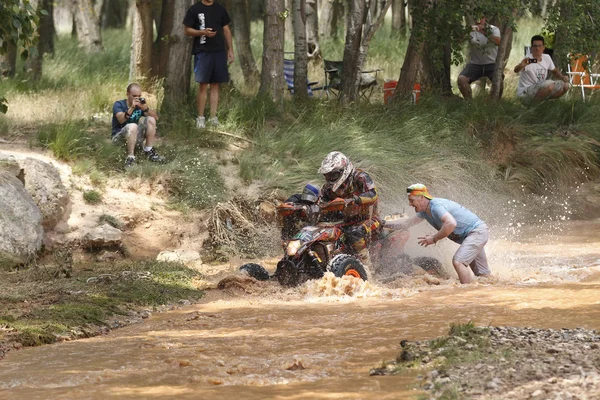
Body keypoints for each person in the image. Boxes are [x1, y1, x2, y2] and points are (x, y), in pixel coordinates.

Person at [386, 184, 490, 284]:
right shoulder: (424, 212)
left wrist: (434, 238)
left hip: (476, 232)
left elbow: (451, 223)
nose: (410, 204)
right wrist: (383, 224)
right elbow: (406, 223)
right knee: (483, 276)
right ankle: (486, 291)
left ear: (421, 198)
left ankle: (466, 295)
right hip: (474, 234)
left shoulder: (436, 206)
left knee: (459, 262)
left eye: (411, 200)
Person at [317, 151, 382, 269]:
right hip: (343, 222)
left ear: (343, 170)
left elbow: (373, 195)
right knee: (319, 231)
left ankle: (367, 268)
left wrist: (352, 200)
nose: (330, 178)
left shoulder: (360, 177)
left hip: (368, 219)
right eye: (327, 175)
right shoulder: (328, 188)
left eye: (333, 174)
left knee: (354, 232)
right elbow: (321, 204)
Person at [183, 0, 234, 129]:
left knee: (216, 84)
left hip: (219, 51)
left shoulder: (220, 9)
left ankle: (213, 117)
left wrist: (230, 50)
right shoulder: (194, 9)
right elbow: (187, 30)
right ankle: (200, 118)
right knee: (203, 85)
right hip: (202, 52)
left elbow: (227, 30)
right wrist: (203, 33)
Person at [111, 83, 164, 168]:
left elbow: (156, 118)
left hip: (134, 136)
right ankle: (130, 157)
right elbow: (121, 120)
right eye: (134, 96)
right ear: (127, 94)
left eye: (139, 96)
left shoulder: (140, 106)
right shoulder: (119, 104)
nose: (137, 98)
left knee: (151, 119)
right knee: (132, 126)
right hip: (119, 138)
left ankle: (148, 150)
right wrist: (132, 108)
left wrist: (146, 109)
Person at [514, 35, 569, 103]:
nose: (537, 48)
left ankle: (545, 104)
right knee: (549, 85)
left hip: (541, 87)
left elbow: (554, 71)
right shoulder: (528, 59)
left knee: (565, 85)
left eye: (540, 46)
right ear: (531, 48)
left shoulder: (547, 57)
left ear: (543, 47)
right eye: (535, 46)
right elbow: (516, 70)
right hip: (526, 91)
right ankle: (534, 105)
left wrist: (562, 77)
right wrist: (521, 65)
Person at [457, 17, 501, 99]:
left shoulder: (493, 29)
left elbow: (498, 41)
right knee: (461, 79)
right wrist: (466, 32)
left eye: (480, 18)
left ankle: (495, 102)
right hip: (475, 64)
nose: (478, 20)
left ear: (485, 18)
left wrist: (485, 32)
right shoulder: (471, 30)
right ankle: (469, 102)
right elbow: (459, 41)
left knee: (499, 80)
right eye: (475, 17)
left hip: (491, 63)